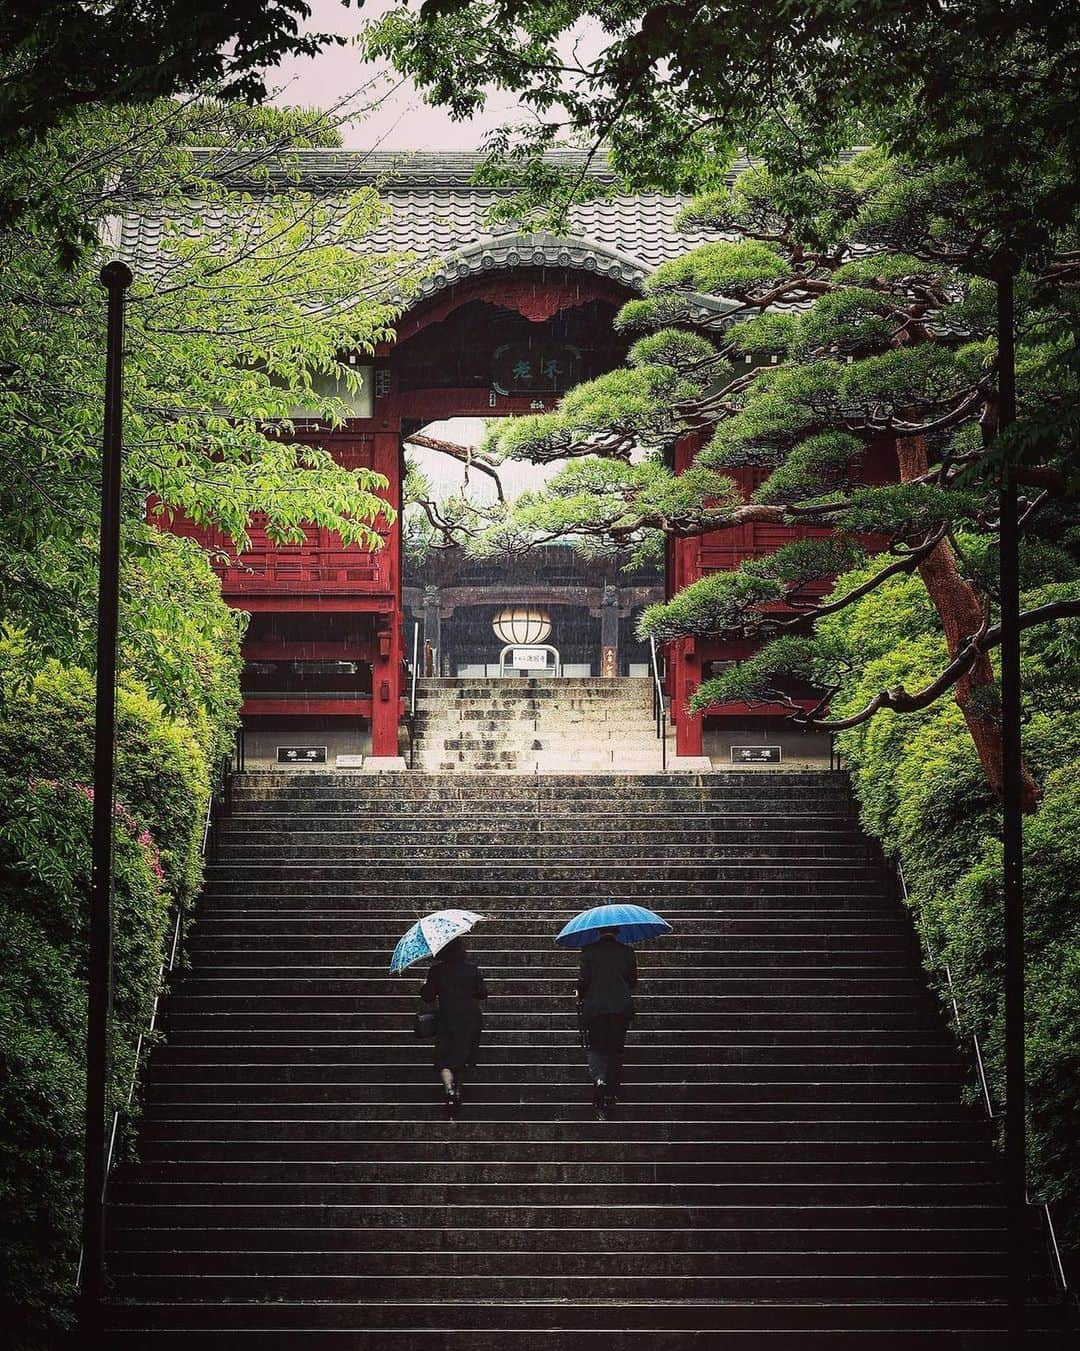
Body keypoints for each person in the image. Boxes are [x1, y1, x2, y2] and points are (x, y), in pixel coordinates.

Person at [419, 936, 487, 1114]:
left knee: (445, 1056)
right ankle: (458, 1090)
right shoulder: (472, 969)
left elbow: (427, 997)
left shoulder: (436, 971)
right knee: (463, 1056)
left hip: (448, 1018)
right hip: (470, 1018)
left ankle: (449, 1089)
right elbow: (482, 994)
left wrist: (423, 985)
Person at [576, 926, 637, 1120]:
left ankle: (600, 1079)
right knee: (616, 1048)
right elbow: (632, 981)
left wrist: (581, 992)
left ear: (598, 931)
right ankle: (612, 1088)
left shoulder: (588, 951)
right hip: (620, 1008)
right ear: (618, 931)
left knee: (596, 1046)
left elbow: (583, 982)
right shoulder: (627, 951)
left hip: (596, 1009)